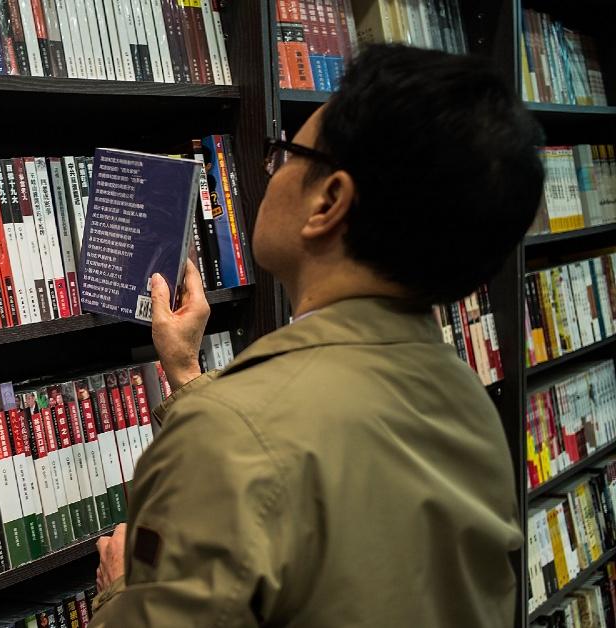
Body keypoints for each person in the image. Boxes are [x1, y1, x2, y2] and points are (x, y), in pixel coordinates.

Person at [90, 44, 543, 627]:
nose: (270, 171)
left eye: (283, 153)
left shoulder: (232, 435)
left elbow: (262, 451)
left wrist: (125, 591)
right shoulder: (469, 403)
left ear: (328, 202)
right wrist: (188, 376)